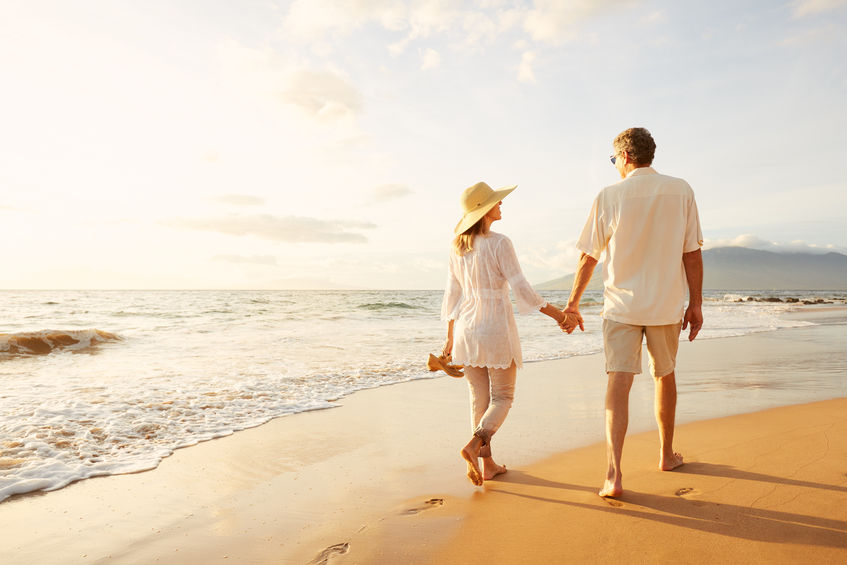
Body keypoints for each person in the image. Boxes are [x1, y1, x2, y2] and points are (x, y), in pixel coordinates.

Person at [564, 127, 704, 498]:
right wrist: (697, 303)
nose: (615, 166)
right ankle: (665, 455)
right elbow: (692, 252)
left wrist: (573, 303)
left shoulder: (610, 195)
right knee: (665, 376)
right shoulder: (681, 189)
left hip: (621, 306)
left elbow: (588, 256)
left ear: (625, 157)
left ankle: (613, 475)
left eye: (614, 160)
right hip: (665, 305)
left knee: (618, 383)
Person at [441, 181, 575, 486]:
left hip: (466, 328)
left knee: (480, 398)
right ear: (486, 210)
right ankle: (475, 444)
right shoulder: (500, 243)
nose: (502, 205)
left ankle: (487, 466)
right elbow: (522, 290)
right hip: (495, 329)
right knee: (503, 397)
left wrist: (449, 338)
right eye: (497, 202)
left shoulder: (456, 246)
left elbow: (451, 295)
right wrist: (560, 316)